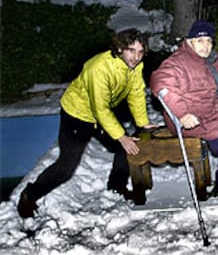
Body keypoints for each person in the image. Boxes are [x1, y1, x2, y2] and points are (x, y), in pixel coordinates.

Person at [17, 28, 157, 218]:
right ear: (119, 48)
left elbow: (136, 93)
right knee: (66, 166)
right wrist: (121, 136)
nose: (136, 57)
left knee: (126, 147)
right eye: (131, 50)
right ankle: (29, 195)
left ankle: (115, 188)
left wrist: (142, 123)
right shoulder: (99, 68)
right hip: (77, 115)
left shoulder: (134, 67)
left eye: (140, 52)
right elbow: (100, 108)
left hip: (100, 117)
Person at [150, 20, 218, 200]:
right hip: (191, 119)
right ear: (189, 42)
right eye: (200, 41)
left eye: (209, 41)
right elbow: (161, 83)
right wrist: (182, 114)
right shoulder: (177, 63)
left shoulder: (211, 57)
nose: (206, 46)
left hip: (213, 114)